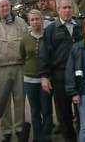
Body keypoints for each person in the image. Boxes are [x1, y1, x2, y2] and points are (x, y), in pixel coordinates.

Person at [0, 0, 30, 142]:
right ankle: (6, 130)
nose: (5, 8)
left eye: (7, 6)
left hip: (19, 67)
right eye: (2, 6)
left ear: (10, 7)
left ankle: (18, 128)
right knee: (4, 101)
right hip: (2, 68)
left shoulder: (21, 23)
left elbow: (28, 45)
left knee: (19, 99)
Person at [39, 0, 83, 142]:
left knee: (82, 112)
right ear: (58, 10)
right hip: (60, 76)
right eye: (64, 8)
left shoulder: (80, 26)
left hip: (80, 75)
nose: (67, 10)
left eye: (69, 7)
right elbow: (45, 53)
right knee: (64, 114)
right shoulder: (51, 30)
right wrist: (44, 76)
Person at [20, 9, 53, 142]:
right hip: (29, 80)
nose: (35, 22)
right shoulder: (25, 38)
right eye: (32, 20)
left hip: (46, 80)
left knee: (46, 110)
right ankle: (38, 137)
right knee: (35, 110)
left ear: (42, 20)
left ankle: (46, 137)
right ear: (29, 22)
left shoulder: (49, 36)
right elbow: (22, 56)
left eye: (37, 19)